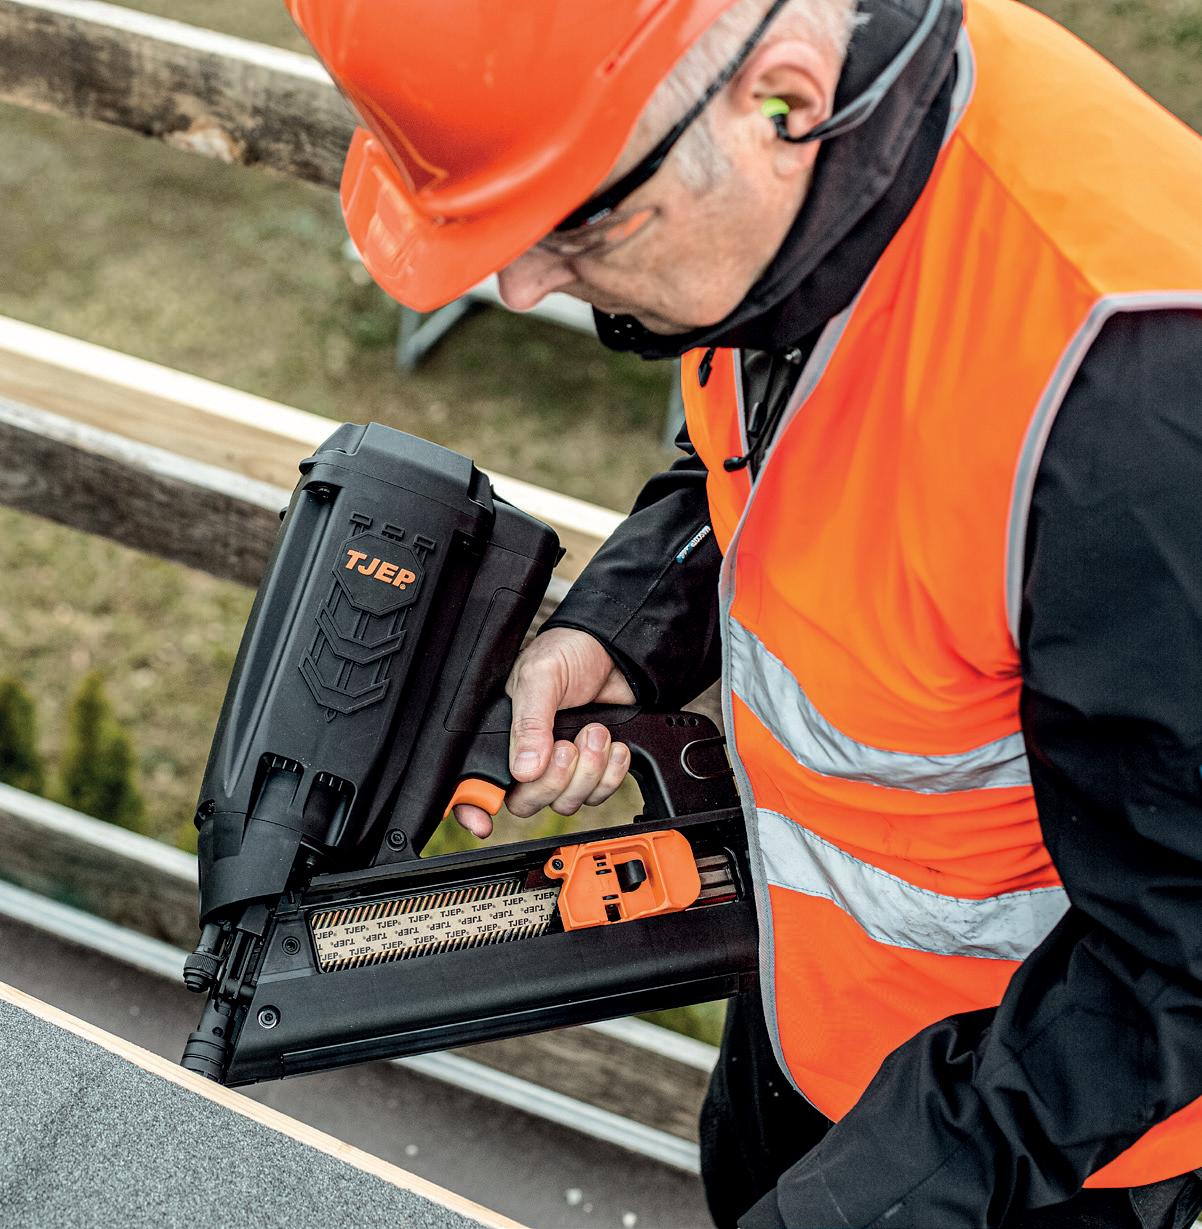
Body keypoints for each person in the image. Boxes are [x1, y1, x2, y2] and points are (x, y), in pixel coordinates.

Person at [288, 0, 1202, 1224]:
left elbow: (1180, 955)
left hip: (1035, 1149)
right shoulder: (790, 167)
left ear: (784, 97)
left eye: (574, 218)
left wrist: (873, 1198)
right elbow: (771, 448)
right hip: (797, 1014)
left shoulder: (1139, 411)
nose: (518, 284)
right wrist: (621, 630)